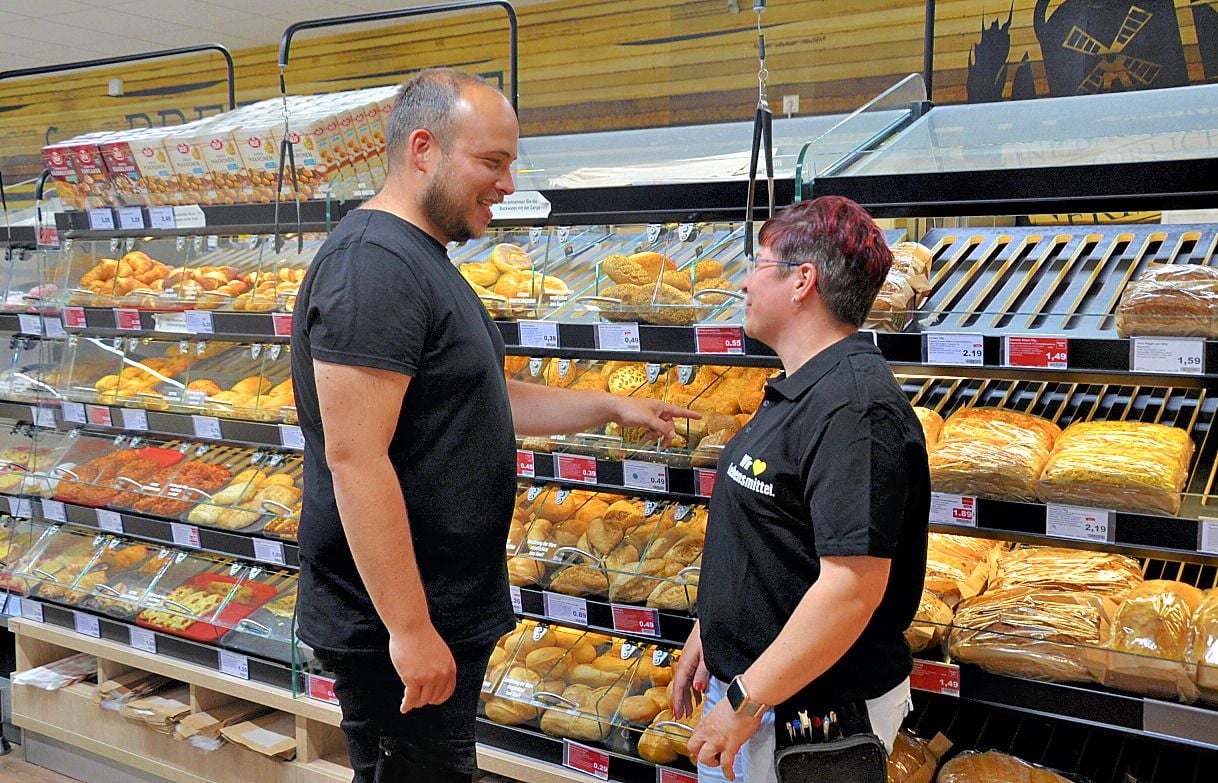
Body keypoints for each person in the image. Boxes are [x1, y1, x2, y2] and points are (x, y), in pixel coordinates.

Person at [290, 68, 698, 783]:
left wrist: (610, 405)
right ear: (423, 149)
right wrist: (410, 629)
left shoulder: (418, 258)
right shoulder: (373, 268)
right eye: (492, 162)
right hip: (397, 619)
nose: (507, 185)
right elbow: (356, 460)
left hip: (439, 606)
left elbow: (481, 396)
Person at [673, 196, 930, 782]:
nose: (743, 281)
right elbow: (776, 540)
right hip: (762, 691)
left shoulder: (855, 411)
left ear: (801, 282)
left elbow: (850, 588)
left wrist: (745, 701)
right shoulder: (803, 387)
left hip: (808, 716)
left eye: (758, 262)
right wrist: (711, 634)